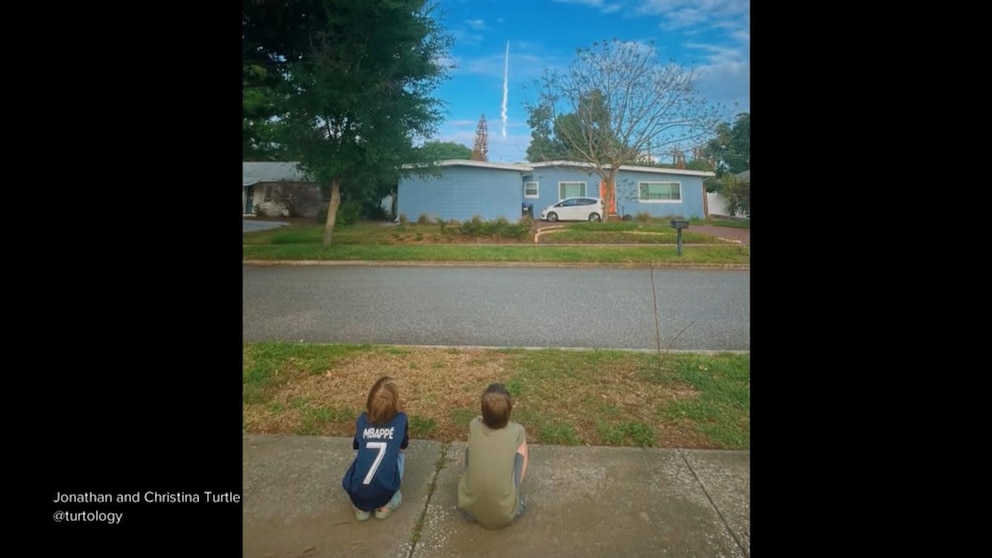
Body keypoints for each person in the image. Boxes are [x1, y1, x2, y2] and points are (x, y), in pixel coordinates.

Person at [457, 383, 529, 529]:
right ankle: (514, 496)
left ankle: (472, 486)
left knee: (470, 447)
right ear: (509, 411)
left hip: (469, 509)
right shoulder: (517, 431)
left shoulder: (473, 425)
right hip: (506, 514)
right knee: (522, 447)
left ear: (482, 411)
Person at [341, 376, 409, 521]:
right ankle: (385, 505)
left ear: (369, 402)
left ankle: (361, 509)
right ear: (395, 403)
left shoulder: (362, 420)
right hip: (385, 491)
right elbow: (403, 446)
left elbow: (356, 446)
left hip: (357, 494)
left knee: (363, 453)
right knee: (400, 453)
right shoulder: (401, 420)